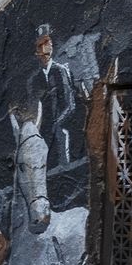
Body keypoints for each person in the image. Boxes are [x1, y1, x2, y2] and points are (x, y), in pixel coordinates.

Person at [26, 25, 76, 164]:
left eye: (47, 43)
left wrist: (58, 123)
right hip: (43, 136)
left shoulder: (61, 72)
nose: (44, 49)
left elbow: (70, 104)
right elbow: (33, 109)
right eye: (40, 45)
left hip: (62, 130)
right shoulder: (34, 80)